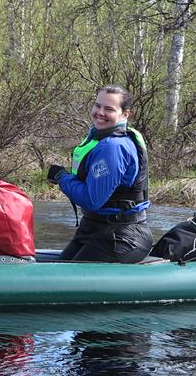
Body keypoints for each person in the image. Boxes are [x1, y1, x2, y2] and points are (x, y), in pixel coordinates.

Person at [46, 85, 152, 262]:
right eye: (97, 106)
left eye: (109, 109)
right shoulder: (100, 139)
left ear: (125, 114)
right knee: (56, 270)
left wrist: (61, 177)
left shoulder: (113, 147)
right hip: (95, 228)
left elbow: (91, 200)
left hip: (122, 236)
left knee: (65, 276)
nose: (100, 112)